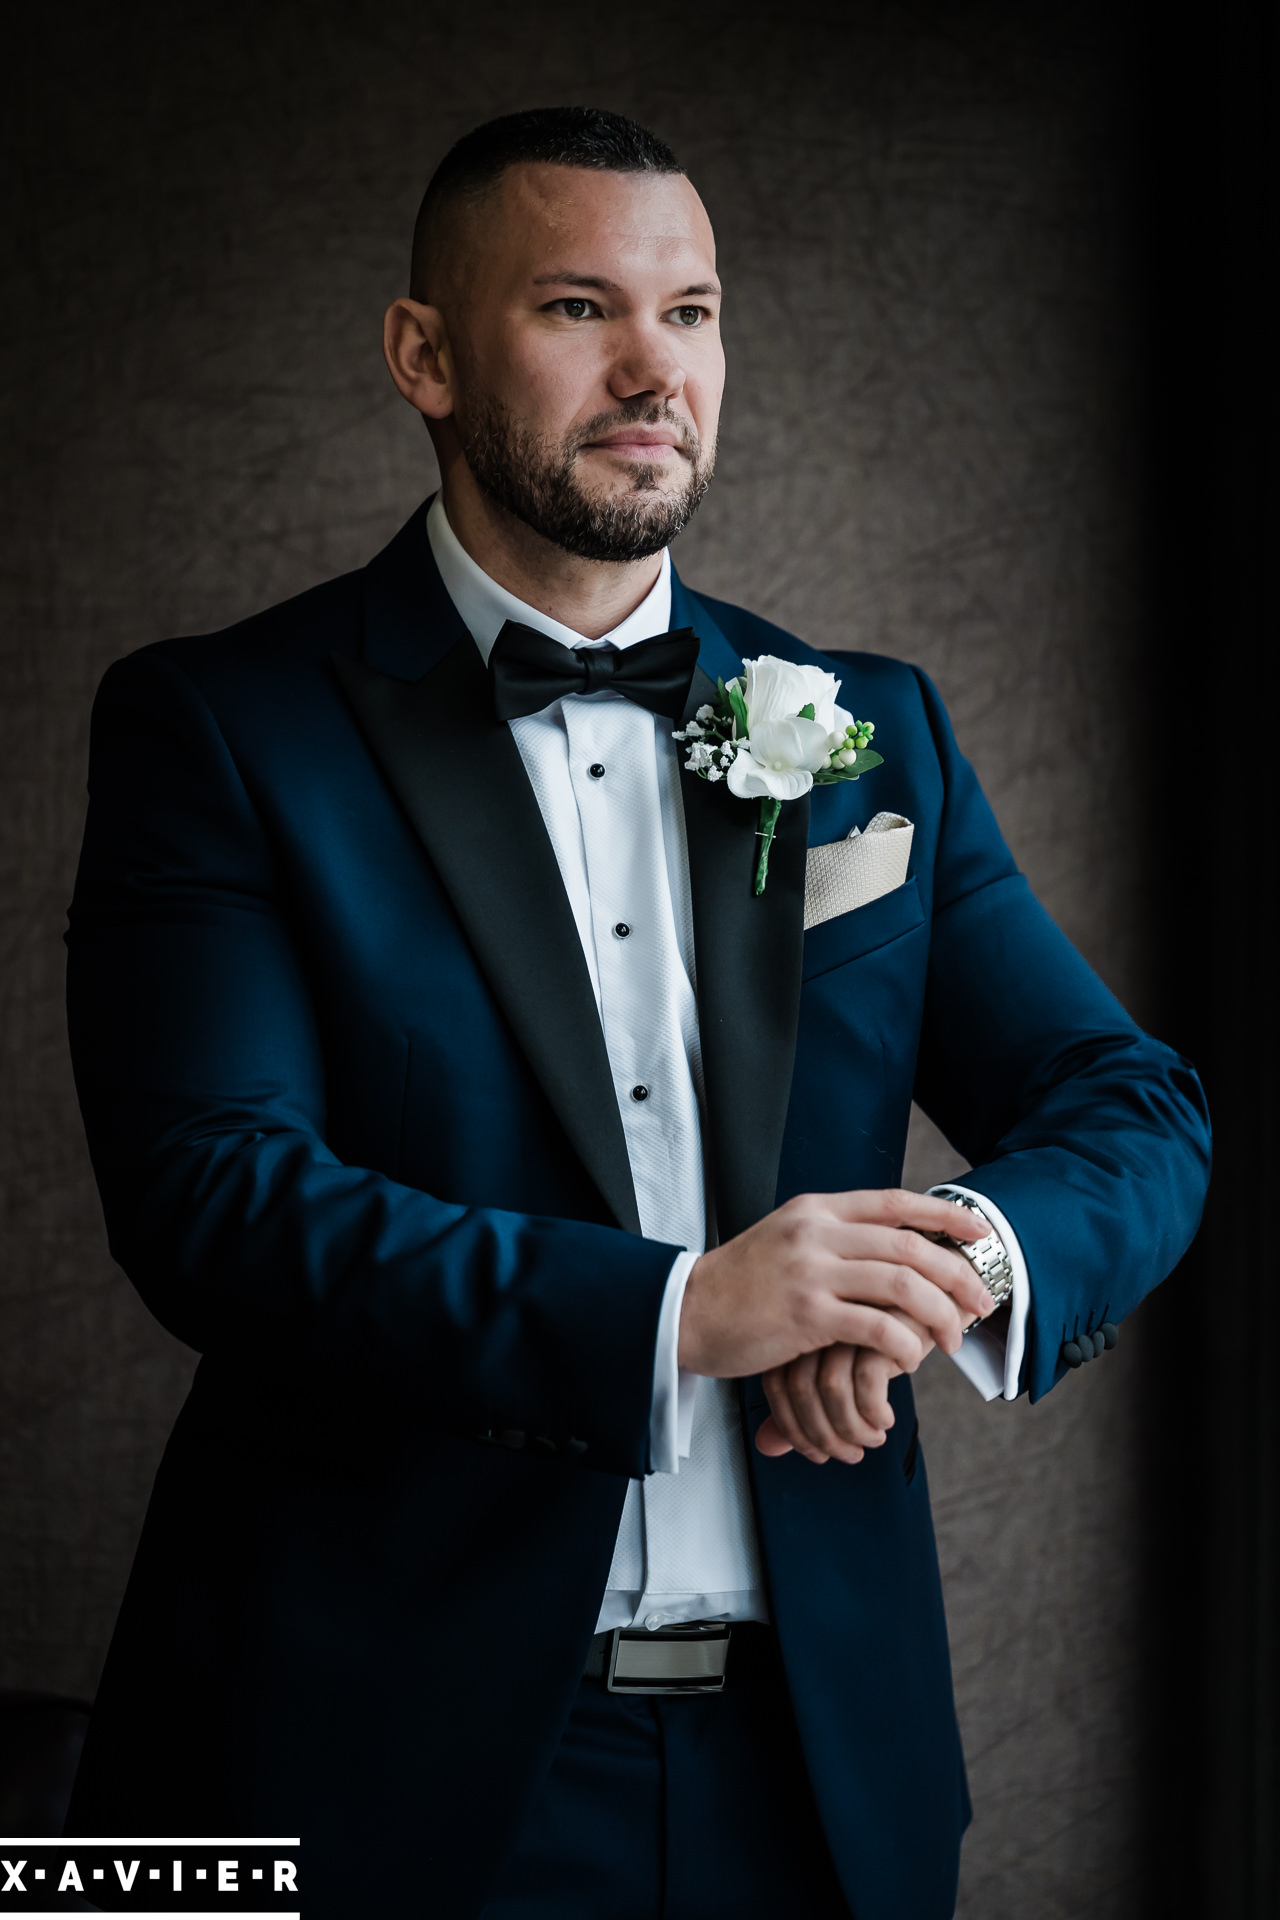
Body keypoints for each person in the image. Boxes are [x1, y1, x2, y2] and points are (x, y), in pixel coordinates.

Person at [63, 106, 1210, 1919]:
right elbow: (213, 1197)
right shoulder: (221, 726)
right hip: (363, 1763)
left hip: (823, 1783)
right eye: (579, 307)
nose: (653, 370)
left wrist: (941, 1268)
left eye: (691, 313)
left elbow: (1132, 1106)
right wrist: (685, 1313)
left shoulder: (872, 729)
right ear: (424, 354)